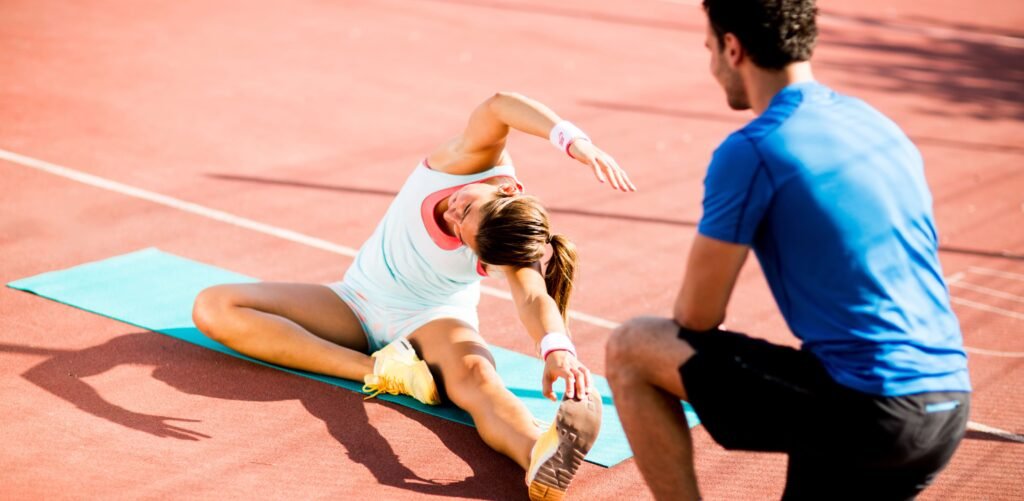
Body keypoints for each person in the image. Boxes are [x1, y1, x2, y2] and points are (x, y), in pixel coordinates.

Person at [605, 1, 970, 500]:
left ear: (732, 48)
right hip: (947, 403)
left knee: (633, 346)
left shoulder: (754, 148)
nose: (712, 64)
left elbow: (695, 317)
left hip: (870, 406)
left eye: (711, 49)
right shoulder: (878, 125)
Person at [192, 91, 633, 500]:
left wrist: (558, 350)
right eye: (467, 210)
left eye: (464, 234)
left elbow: (533, 297)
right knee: (214, 306)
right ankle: (385, 371)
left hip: (435, 321)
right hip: (355, 302)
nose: (455, 218)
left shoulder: (504, 245)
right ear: (505, 189)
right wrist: (574, 141)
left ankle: (537, 452)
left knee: (480, 381)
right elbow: (499, 106)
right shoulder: (469, 162)